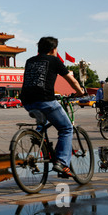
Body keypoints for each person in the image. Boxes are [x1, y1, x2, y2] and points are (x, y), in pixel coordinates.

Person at [20, 37, 85, 177]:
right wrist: (80, 92)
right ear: (53, 49)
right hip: (45, 101)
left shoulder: (29, 61)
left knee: (44, 118)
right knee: (66, 128)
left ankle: (39, 134)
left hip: (27, 102)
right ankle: (61, 162)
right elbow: (71, 80)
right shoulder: (55, 60)